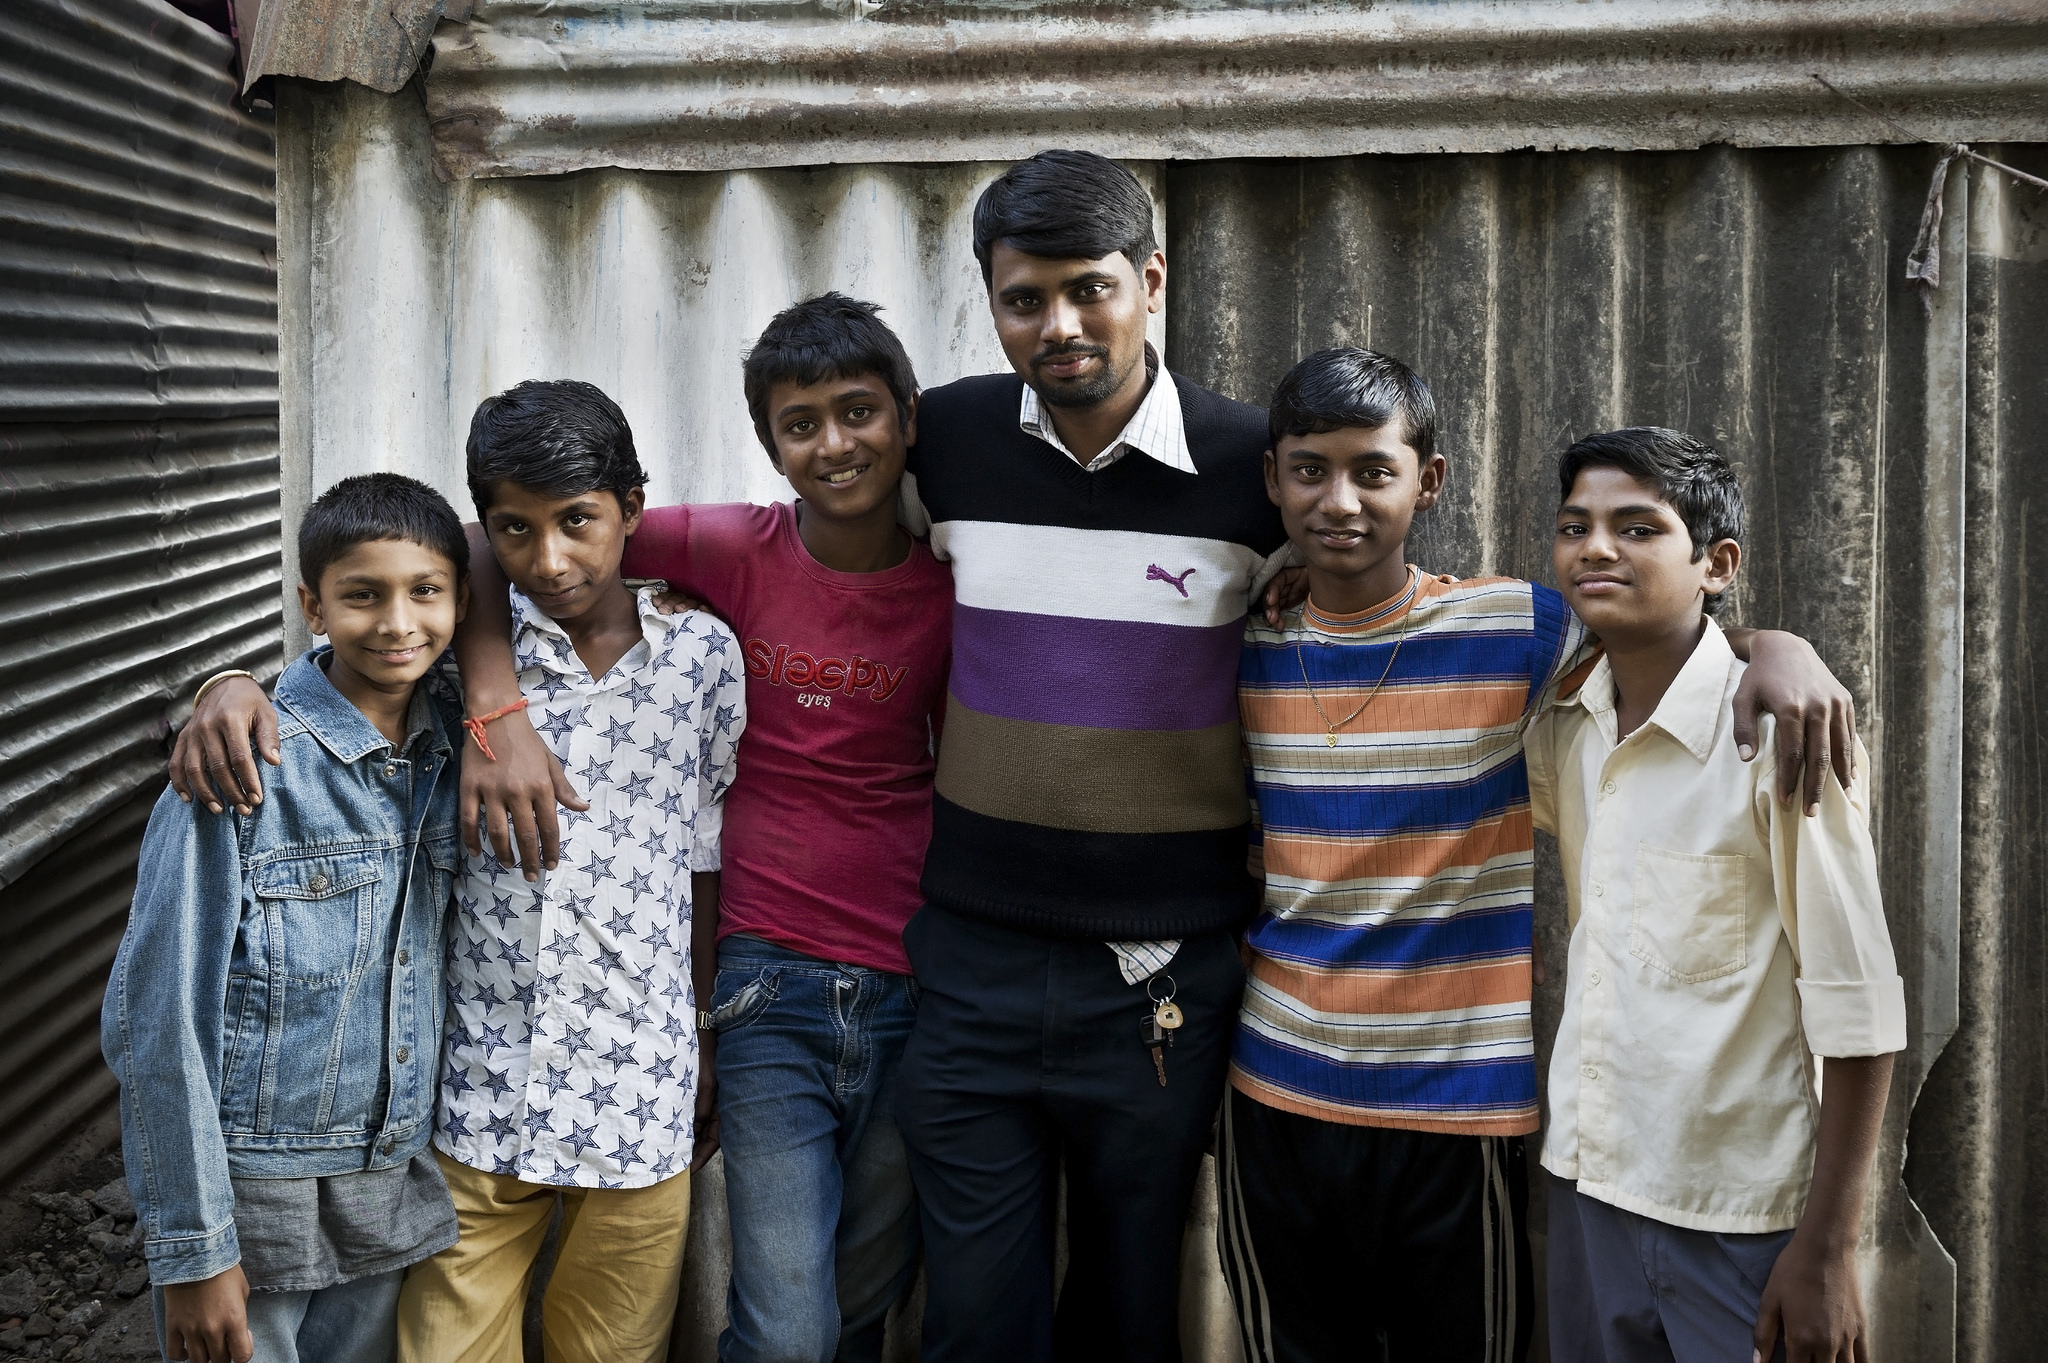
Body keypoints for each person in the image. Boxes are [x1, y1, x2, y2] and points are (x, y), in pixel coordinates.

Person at [1216, 350, 1865, 1363]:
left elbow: (1662, 625)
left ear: (1425, 482)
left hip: (1457, 1107)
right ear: (1272, 480)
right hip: (1275, 1091)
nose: (1338, 499)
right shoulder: (1242, 647)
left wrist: (1775, 646)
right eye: (1308, 470)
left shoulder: (1519, 625)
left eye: (1370, 470)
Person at [446, 296, 951, 1362]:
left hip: (914, 976)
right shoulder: (729, 546)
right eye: (798, 423)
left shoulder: (958, 583)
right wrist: (495, 703)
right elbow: (483, 533)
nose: (831, 443)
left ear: (907, 418)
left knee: (865, 1294)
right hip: (765, 979)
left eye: (856, 412)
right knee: (788, 1327)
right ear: (768, 442)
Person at [1530, 428, 1903, 1363]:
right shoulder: (1568, 727)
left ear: (1716, 562)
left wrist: (1826, 1249)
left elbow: (1859, 1008)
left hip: (1741, 1215)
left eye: (1636, 527)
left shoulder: (1782, 739)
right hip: (1590, 1187)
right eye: (1575, 526)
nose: (1597, 548)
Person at [390, 380, 745, 1362]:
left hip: (639, 1081)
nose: (548, 560)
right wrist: (228, 685)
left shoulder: (700, 654)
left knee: (613, 1350)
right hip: (477, 1084)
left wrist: (703, 1033)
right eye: (517, 530)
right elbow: (335, 664)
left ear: (631, 509)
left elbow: (703, 852)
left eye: (577, 522)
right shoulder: (453, 640)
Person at [103, 473, 471, 1363]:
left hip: (388, 1180)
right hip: (253, 1189)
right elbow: (157, 1018)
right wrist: (194, 1247)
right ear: (311, 603)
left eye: (426, 591)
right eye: (361, 594)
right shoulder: (239, 772)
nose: (396, 622)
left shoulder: (459, 742)